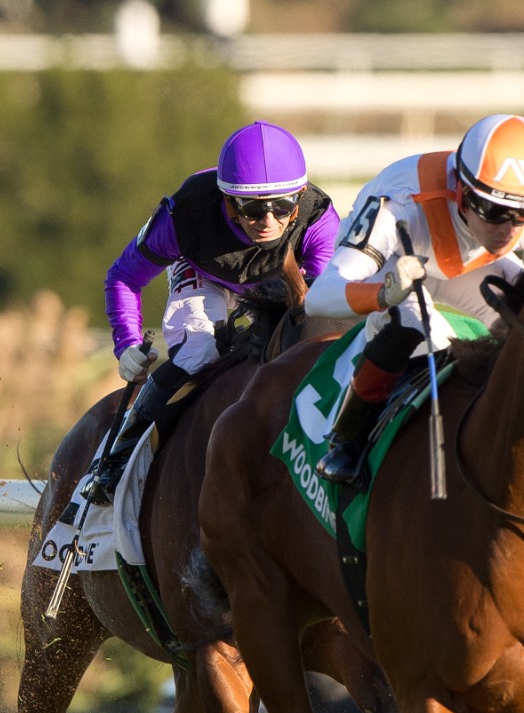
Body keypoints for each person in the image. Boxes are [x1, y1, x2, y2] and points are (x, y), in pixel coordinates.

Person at [80, 120, 341, 505]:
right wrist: (127, 346)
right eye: (253, 209)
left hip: (278, 282)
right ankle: (117, 457)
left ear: (300, 196)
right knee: (199, 350)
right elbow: (124, 277)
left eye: (282, 206)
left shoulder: (319, 220)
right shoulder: (186, 214)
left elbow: (325, 304)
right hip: (203, 275)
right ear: (228, 202)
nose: (268, 222)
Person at [308, 113, 524, 484]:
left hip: (465, 263)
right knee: (418, 328)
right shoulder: (398, 203)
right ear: (462, 193)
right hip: (397, 262)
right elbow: (318, 298)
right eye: (494, 211)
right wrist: (383, 293)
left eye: (523, 215)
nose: (507, 229)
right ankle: (347, 440)